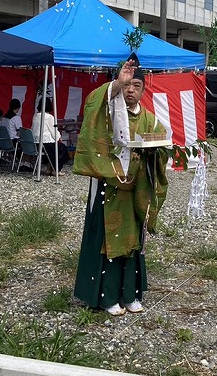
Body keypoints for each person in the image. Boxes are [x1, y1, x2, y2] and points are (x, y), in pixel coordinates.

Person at [72, 58, 169, 316]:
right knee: (107, 241)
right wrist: (116, 83)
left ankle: (129, 294)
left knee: (133, 242)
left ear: (143, 90)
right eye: (127, 85)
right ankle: (106, 296)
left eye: (136, 85)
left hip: (136, 190)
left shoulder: (150, 119)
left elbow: (161, 149)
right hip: (109, 188)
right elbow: (93, 102)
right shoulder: (109, 111)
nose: (130, 90)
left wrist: (154, 154)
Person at [31, 99, 70, 172]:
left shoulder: (35, 115)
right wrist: (59, 137)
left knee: (56, 148)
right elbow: (54, 131)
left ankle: (49, 167)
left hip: (36, 143)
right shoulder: (49, 117)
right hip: (46, 143)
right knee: (62, 148)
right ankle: (55, 169)